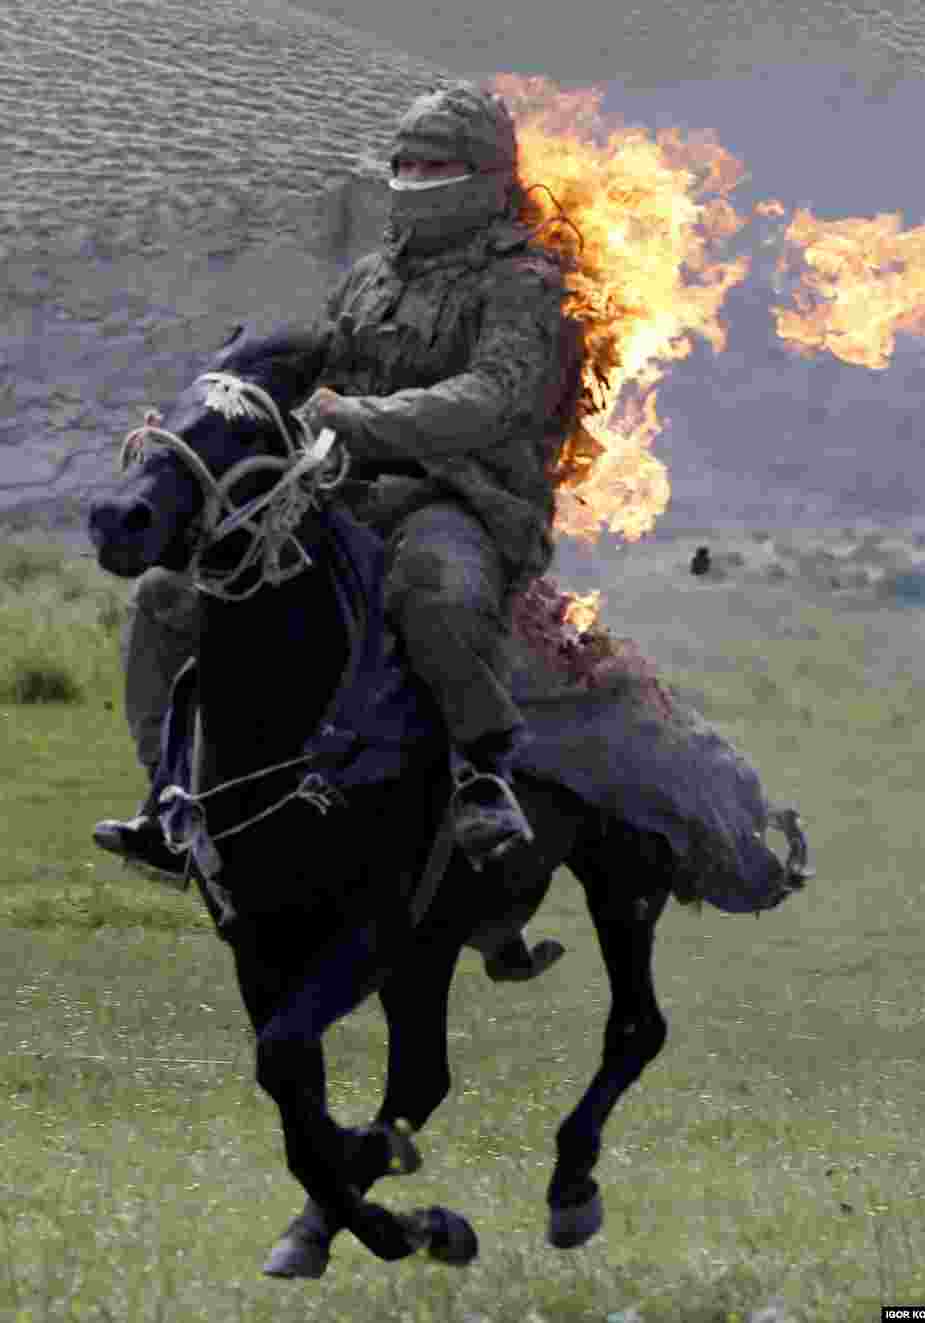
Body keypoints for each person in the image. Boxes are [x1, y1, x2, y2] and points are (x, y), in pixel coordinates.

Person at [94, 80, 584, 979]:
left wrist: (360, 417)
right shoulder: (374, 274)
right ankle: (171, 802)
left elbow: (492, 398)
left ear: (487, 178)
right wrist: (235, 381)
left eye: (438, 165)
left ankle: (483, 775)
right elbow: (319, 353)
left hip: (463, 499)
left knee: (430, 591)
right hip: (343, 490)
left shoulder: (526, 286)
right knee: (174, 595)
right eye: (406, 162)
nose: (416, 178)